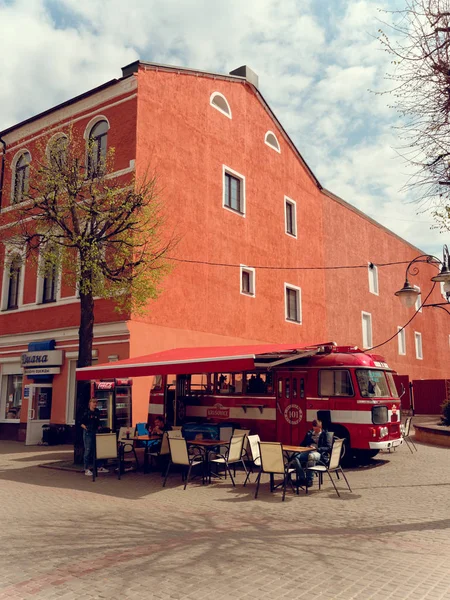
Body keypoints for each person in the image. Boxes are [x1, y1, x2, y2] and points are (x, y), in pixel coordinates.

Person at [289, 419, 332, 487]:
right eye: (314, 427)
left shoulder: (325, 434)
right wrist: (302, 448)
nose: (315, 429)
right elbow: (302, 444)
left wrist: (317, 448)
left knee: (311, 456)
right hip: (308, 451)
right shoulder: (309, 433)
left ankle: (309, 479)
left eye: (316, 428)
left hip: (319, 453)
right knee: (294, 456)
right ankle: (302, 477)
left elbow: (329, 447)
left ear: (320, 427)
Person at [81, 398, 109, 476]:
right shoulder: (86, 412)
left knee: (97, 449)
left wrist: (100, 427)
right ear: (90, 403)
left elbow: (98, 421)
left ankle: (99, 467)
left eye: (96, 403)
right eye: (93, 402)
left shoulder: (97, 411)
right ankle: (86, 469)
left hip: (95, 431)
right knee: (88, 450)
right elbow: (81, 422)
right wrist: (86, 428)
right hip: (88, 433)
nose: (95, 404)